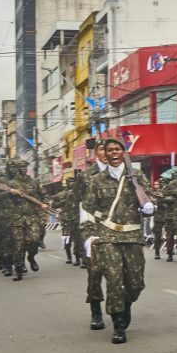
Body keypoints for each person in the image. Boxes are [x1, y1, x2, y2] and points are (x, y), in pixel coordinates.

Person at [80, 138, 155, 344]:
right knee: (114, 281)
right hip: (108, 237)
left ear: (123, 152)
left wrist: (149, 206)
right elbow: (86, 209)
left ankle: (126, 305)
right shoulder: (96, 180)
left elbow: (149, 197)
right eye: (110, 149)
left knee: (135, 283)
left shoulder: (136, 176)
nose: (113, 153)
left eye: (117, 149)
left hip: (132, 236)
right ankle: (118, 324)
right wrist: (88, 236)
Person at [76, 140, 108, 328]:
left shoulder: (124, 173)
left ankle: (119, 311)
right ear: (96, 153)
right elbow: (77, 200)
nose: (107, 152)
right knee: (95, 272)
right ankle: (96, 312)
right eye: (102, 149)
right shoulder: (87, 175)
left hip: (117, 228)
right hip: (93, 227)